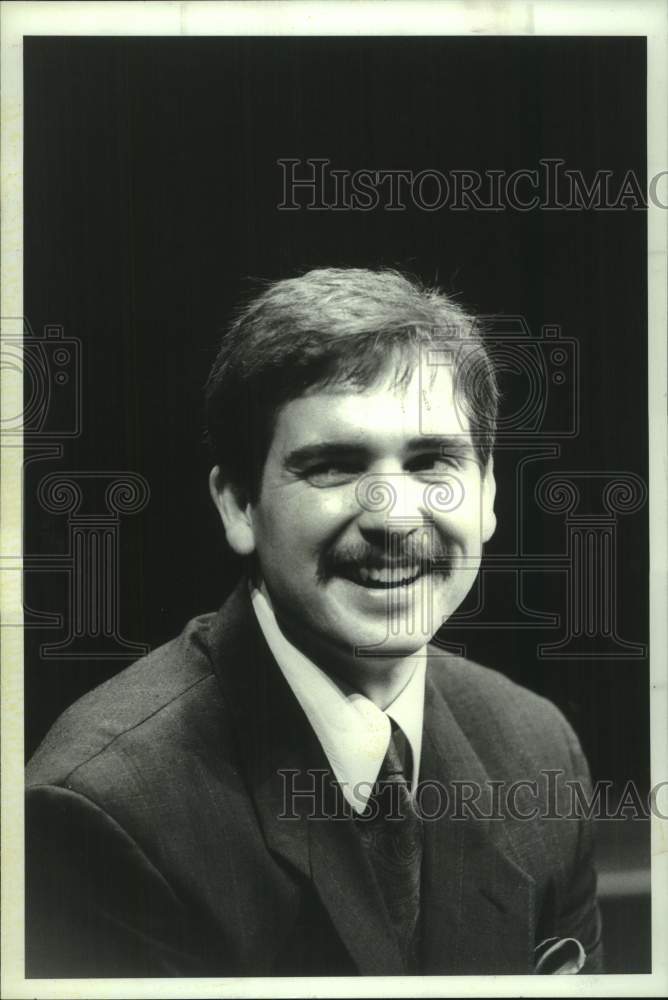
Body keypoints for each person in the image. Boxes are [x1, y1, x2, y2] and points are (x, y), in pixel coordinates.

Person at [25, 267, 603, 977]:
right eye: (333, 465)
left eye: (432, 462)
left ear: (485, 494)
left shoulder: (539, 749)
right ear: (239, 505)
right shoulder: (104, 814)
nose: (393, 515)